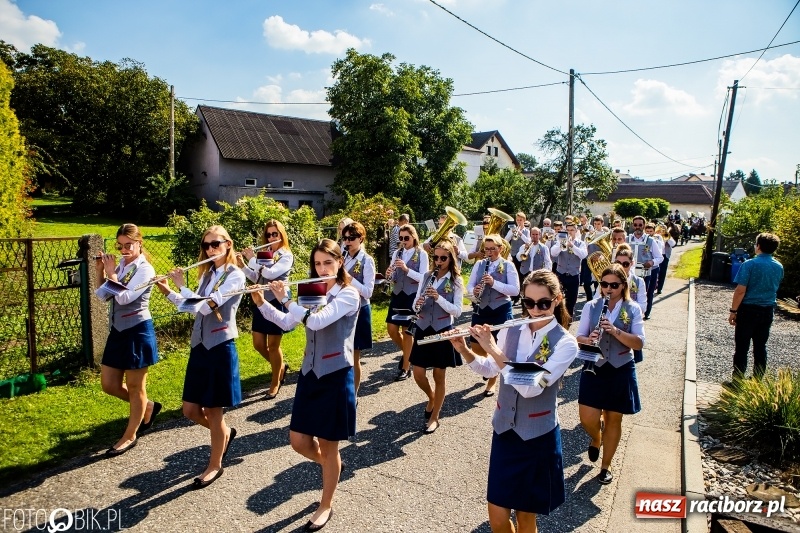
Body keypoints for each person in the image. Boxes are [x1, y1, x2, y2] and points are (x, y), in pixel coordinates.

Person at [450, 270, 578, 533]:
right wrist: (465, 349)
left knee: (526, 518)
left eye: (543, 303)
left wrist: (493, 349)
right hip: (505, 431)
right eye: (528, 303)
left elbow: (531, 388)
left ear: (557, 300)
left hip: (537, 437)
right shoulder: (513, 329)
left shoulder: (567, 344)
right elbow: (490, 370)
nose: (534, 310)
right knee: (497, 517)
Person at [251, 239, 359, 531]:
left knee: (328, 444)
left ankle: (326, 504)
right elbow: (289, 323)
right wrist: (263, 303)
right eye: (317, 263)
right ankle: (330, 466)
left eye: (328, 263)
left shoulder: (350, 294)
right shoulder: (313, 291)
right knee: (298, 441)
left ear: (340, 262)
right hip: (311, 373)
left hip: (336, 374)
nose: (321, 268)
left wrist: (287, 299)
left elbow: (317, 322)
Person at [156, 225, 244, 488]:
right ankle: (225, 435)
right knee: (190, 409)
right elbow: (191, 307)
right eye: (206, 245)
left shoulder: (235, 276)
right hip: (200, 346)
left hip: (220, 346)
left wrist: (181, 285)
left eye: (215, 244)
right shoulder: (208, 275)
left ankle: (215, 465)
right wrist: (168, 291)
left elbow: (206, 307)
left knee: (213, 411)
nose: (210, 250)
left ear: (228, 244)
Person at [94, 223, 161, 456]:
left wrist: (111, 274)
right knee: (109, 384)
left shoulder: (145, 270)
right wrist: (100, 271)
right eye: (120, 246)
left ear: (139, 243)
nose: (123, 250)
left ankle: (130, 435)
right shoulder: (121, 265)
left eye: (128, 245)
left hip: (137, 330)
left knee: (135, 387)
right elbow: (102, 295)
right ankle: (147, 406)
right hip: (118, 331)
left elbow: (124, 298)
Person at [577, 264, 645, 485]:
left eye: (613, 285)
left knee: (614, 419)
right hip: (595, 366)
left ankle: (605, 466)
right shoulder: (591, 305)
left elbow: (639, 343)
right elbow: (579, 337)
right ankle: (596, 438)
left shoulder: (632, 308)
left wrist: (615, 331)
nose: (608, 289)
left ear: (623, 286)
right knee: (587, 418)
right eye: (604, 284)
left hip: (620, 368)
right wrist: (590, 338)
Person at [409, 240, 464, 433]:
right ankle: (431, 397)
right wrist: (418, 305)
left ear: (450, 258)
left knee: (439, 375)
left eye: (443, 258)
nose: (439, 261)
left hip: (442, 329)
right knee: (418, 373)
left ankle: (435, 416)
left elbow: (457, 311)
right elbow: (415, 302)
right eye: (436, 257)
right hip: (424, 327)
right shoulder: (426, 276)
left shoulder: (456, 280)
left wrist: (438, 297)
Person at [237, 220, 293, 399]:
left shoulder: (286, 255)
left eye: (274, 234)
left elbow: (270, 274)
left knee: (273, 346)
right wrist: (243, 266)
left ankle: (275, 381)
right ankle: (280, 367)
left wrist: (251, 259)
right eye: (268, 234)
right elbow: (258, 277)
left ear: (281, 235)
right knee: (258, 344)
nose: (271, 237)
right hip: (261, 301)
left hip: (277, 301)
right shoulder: (265, 254)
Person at [467, 234, 520, 397]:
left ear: (500, 248)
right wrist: (473, 291)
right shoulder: (480, 265)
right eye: (487, 249)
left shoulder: (508, 265)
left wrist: (494, 283)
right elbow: (469, 285)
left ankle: (492, 381)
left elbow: (515, 290)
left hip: (501, 309)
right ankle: (488, 366)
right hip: (482, 307)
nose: (489, 252)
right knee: (476, 343)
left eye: (493, 249)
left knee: (497, 345)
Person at [728, 233, 783, 380]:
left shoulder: (749, 264)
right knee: (760, 346)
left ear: (758, 246)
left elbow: (740, 290)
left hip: (748, 309)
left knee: (742, 347)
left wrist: (733, 311)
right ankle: (758, 379)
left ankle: (738, 379)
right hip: (767, 310)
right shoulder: (779, 266)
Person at [386, 224, 429, 381]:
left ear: (414, 237)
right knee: (391, 329)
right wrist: (389, 275)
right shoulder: (397, 253)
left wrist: (406, 269)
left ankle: (405, 368)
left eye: (406, 238)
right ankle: (408, 354)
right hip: (398, 294)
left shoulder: (421, 254)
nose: (403, 241)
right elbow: (393, 276)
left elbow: (424, 277)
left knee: (407, 332)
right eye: (401, 238)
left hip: (412, 295)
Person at [341, 221, 376, 396]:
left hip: (359, 310)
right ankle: (342, 391)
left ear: (361, 239)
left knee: (354, 357)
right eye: (345, 238)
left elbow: (368, 292)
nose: (347, 241)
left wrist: (349, 279)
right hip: (341, 309)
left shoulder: (367, 260)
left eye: (351, 238)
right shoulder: (342, 255)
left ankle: (352, 395)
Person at [605, 244, 647, 364]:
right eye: (618, 263)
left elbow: (643, 306)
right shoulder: (607, 280)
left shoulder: (638, 282)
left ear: (631, 264)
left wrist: (623, 304)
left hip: (628, 321)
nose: (621, 267)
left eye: (625, 264)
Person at [626, 216, 662, 320]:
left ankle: (645, 312)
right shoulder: (628, 239)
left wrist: (652, 262)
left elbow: (660, 257)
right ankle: (629, 315)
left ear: (644, 226)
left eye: (640, 225)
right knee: (629, 294)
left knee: (644, 294)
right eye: (635, 225)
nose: (637, 227)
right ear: (633, 225)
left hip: (645, 273)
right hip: (630, 273)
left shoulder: (650, 240)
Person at [550, 221, 588, 318]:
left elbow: (583, 255)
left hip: (573, 275)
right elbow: (553, 253)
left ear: (576, 231)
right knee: (557, 299)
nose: (570, 232)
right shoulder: (559, 241)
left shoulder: (581, 243)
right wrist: (561, 244)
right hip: (561, 274)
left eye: (572, 230)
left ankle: (569, 321)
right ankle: (558, 319)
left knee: (571, 301)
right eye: (568, 230)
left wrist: (572, 246)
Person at [504, 212, 531, 303]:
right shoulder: (512, 229)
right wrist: (511, 233)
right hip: (513, 254)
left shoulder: (527, 231)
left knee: (521, 275)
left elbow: (528, 242)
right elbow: (505, 241)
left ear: (524, 220)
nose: (519, 222)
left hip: (522, 255)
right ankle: (514, 296)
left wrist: (520, 233)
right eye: (517, 220)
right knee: (513, 274)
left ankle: (521, 294)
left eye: (520, 220)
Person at [581, 216, 605, 301]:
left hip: (600, 262)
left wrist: (600, 256)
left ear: (602, 224)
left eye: (598, 224)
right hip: (589, 260)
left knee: (597, 283)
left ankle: (596, 299)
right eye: (595, 224)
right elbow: (585, 246)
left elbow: (606, 250)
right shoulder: (589, 233)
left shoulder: (604, 234)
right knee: (586, 283)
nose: (596, 226)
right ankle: (589, 300)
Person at [655, 227, 676, 295]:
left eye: (663, 231)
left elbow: (673, 244)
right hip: (656, 256)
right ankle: (654, 286)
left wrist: (668, 238)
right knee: (655, 272)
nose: (661, 232)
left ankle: (659, 288)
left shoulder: (667, 236)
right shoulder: (655, 236)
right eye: (660, 231)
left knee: (662, 273)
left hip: (664, 256)